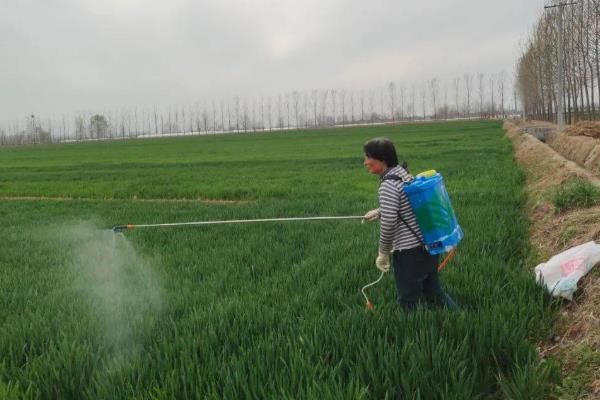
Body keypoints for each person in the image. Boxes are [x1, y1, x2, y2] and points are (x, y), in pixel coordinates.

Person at [362, 137, 457, 310]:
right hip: (427, 245)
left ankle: (411, 334)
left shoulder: (388, 184)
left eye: (368, 157)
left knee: (408, 301)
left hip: (409, 253)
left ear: (381, 159)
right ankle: (460, 319)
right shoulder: (403, 173)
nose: (365, 162)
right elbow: (406, 204)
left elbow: (389, 223)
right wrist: (380, 211)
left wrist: (383, 252)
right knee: (434, 292)